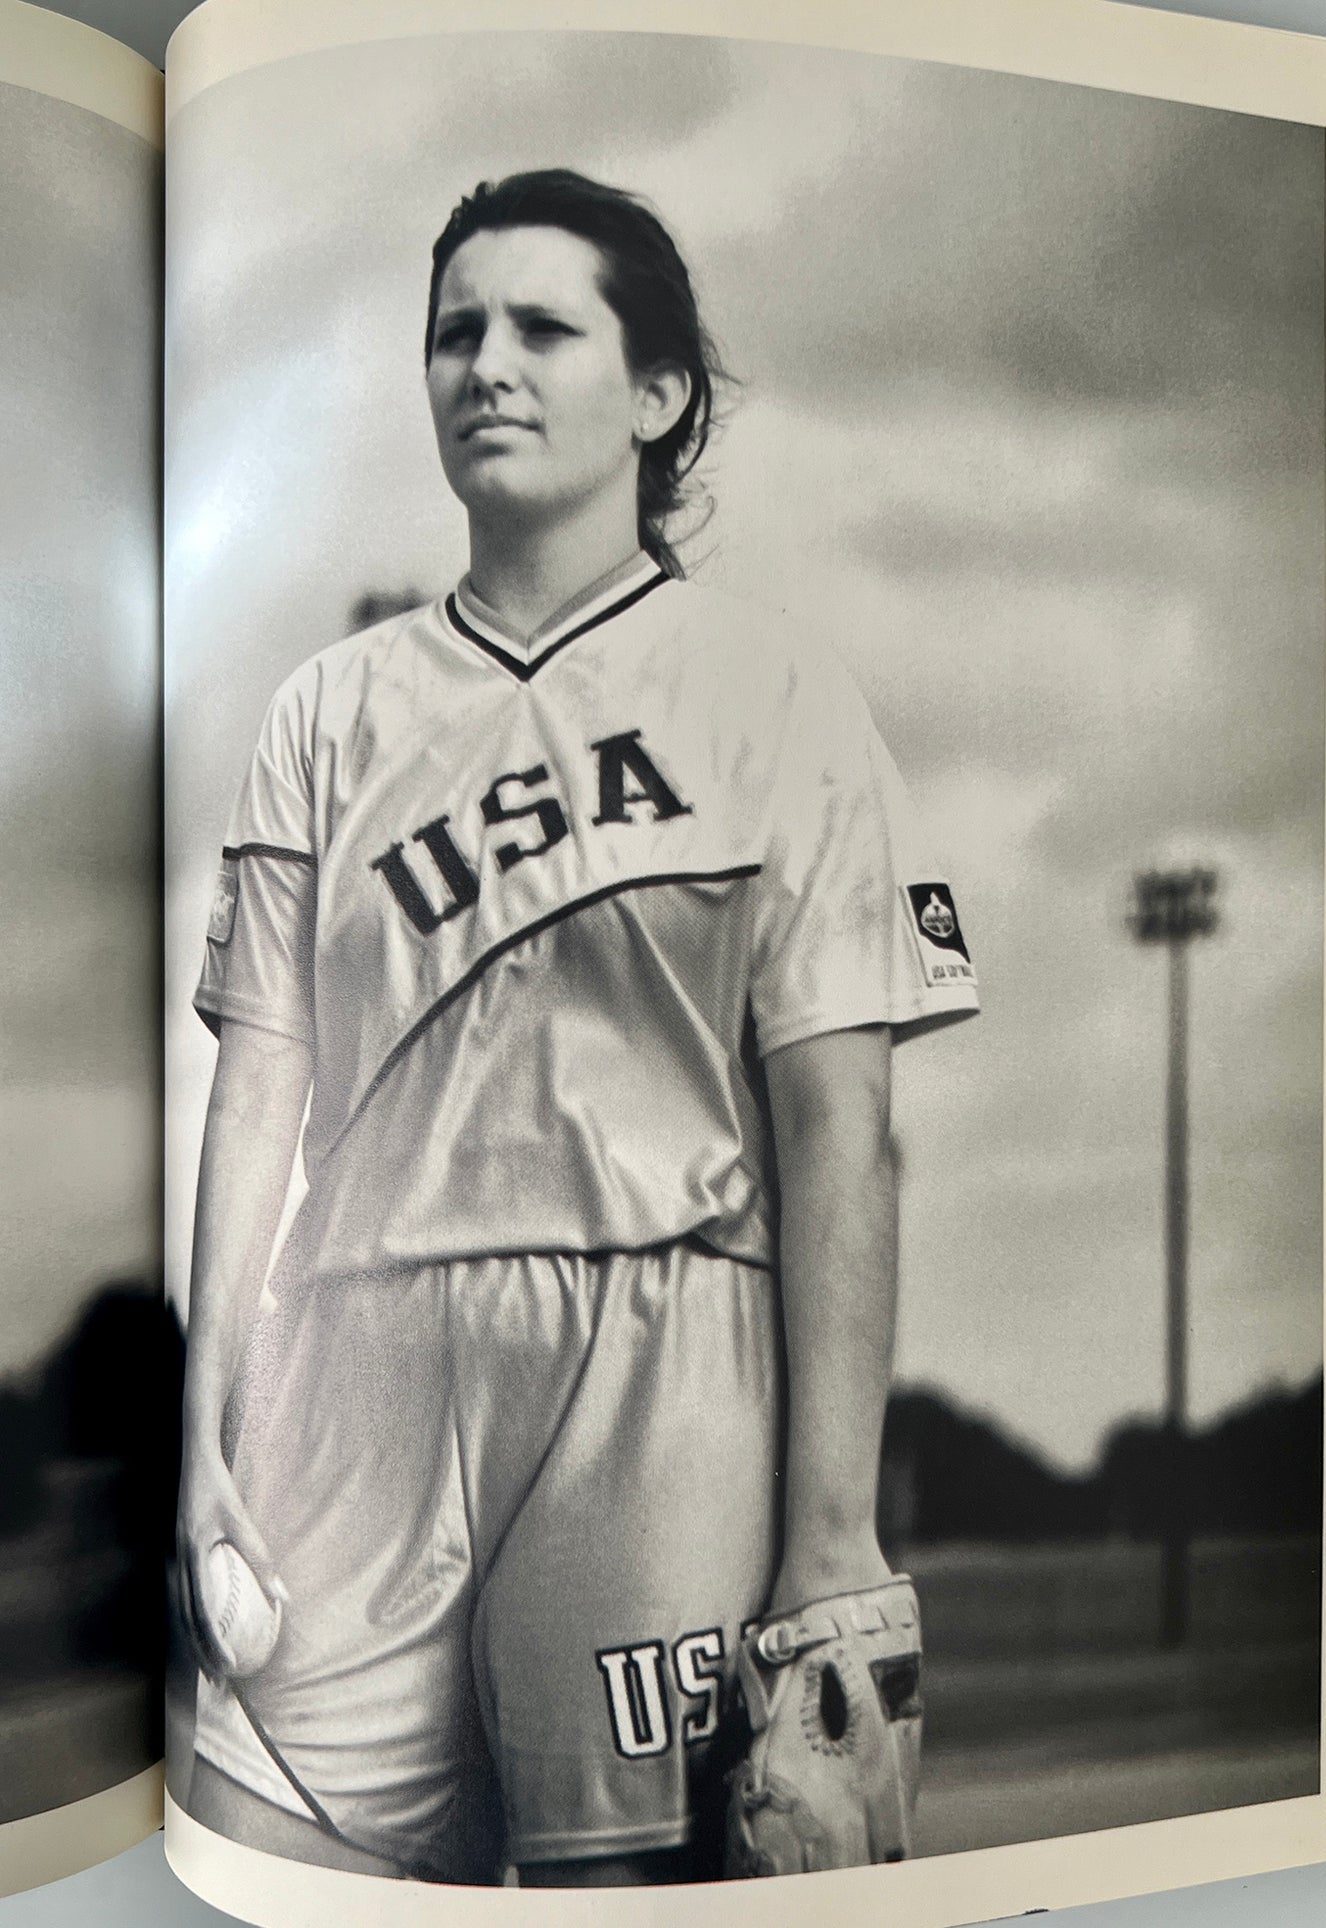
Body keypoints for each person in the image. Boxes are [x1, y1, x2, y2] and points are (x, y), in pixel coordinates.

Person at [176, 168, 979, 1888]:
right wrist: (208, 1438)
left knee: (623, 1893)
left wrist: (829, 1533)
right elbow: (255, 1099)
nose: (489, 365)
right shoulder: (326, 712)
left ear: (660, 393)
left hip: (660, 1357)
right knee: (253, 1857)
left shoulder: (777, 691)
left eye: (544, 327)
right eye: (456, 332)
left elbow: (841, 1127)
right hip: (354, 1365)